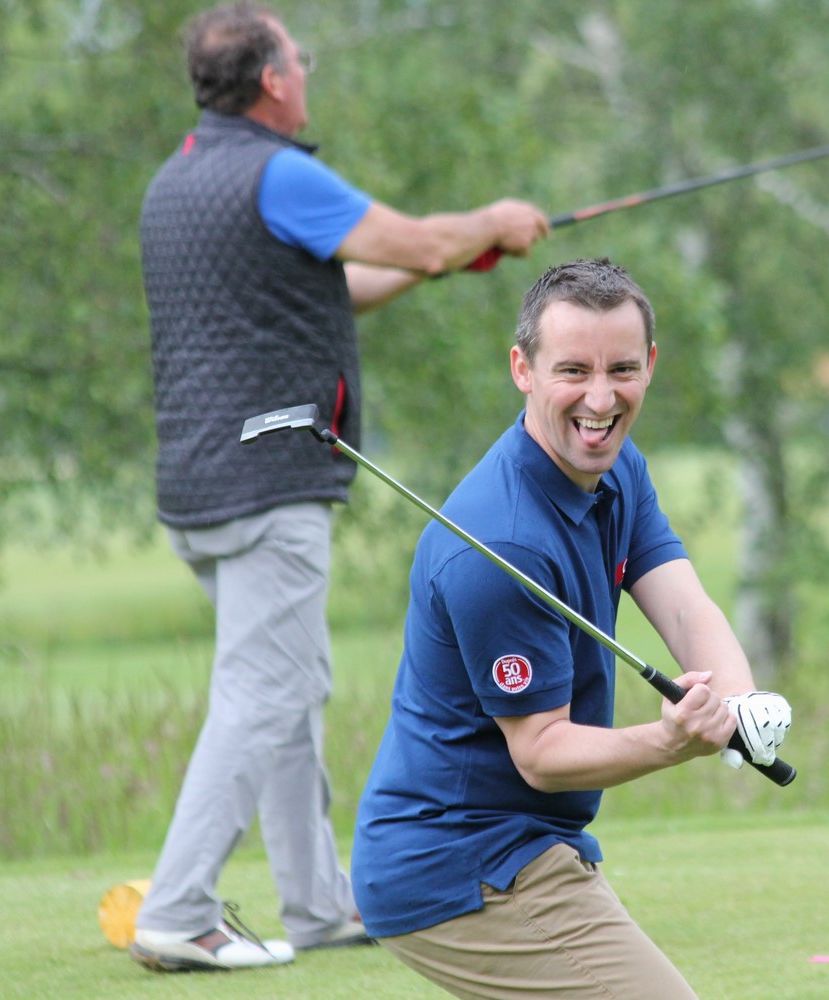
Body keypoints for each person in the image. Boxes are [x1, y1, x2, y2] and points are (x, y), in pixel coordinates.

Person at [131, 1, 550, 973]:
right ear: (273, 80)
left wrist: (452, 257)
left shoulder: (177, 179)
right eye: (300, 58)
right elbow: (412, 240)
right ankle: (180, 908)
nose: (305, 72)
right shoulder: (279, 173)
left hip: (201, 480)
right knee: (264, 692)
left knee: (293, 685)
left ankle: (318, 904)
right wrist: (489, 226)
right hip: (270, 479)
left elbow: (337, 285)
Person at [351, 258, 793, 999]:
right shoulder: (504, 547)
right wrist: (671, 741)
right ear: (522, 369)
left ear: (650, 365)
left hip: (526, 843)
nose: (600, 398)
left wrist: (741, 700)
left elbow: (683, 606)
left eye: (622, 369)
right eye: (573, 370)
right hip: (457, 862)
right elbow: (542, 753)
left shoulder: (616, 468)